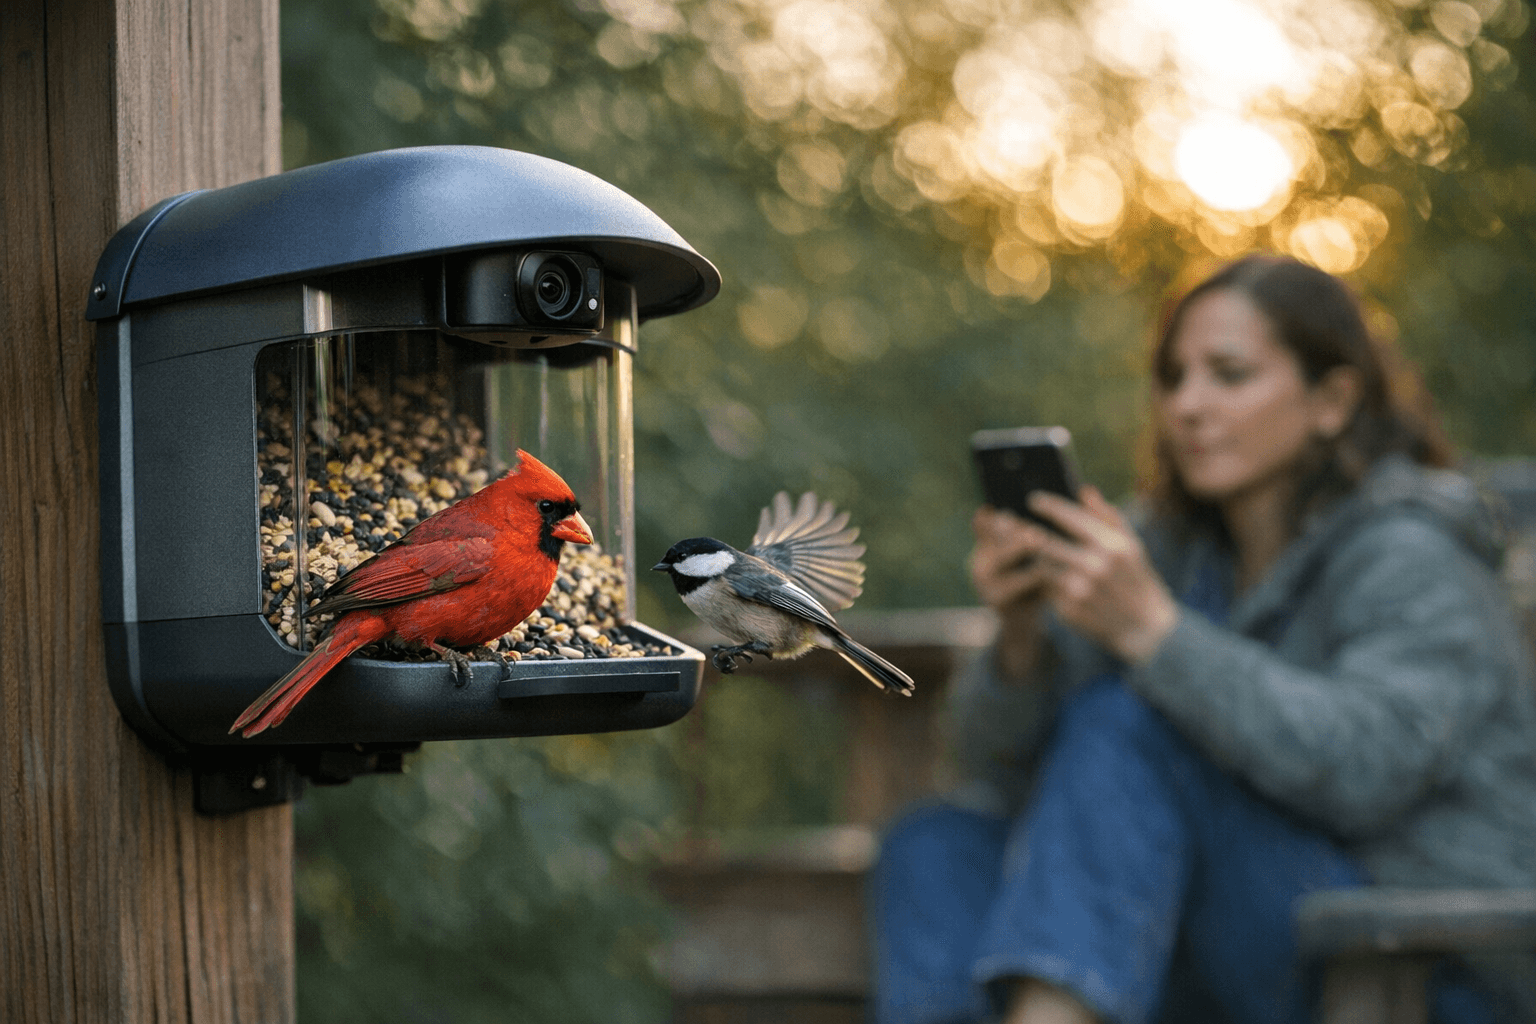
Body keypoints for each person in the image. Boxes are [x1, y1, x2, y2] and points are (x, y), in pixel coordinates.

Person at [871, 255, 1536, 1024]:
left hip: (1414, 954)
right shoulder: (1175, 553)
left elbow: (1366, 768)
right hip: (1226, 931)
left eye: (1228, 375)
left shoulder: (1413, 553)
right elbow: (1003, 773)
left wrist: (1156, 633)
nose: (1187, 405)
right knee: (937, 845)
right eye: (1173, 377)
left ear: (1333, 398)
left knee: (1127, 720)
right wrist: (1021, 637)